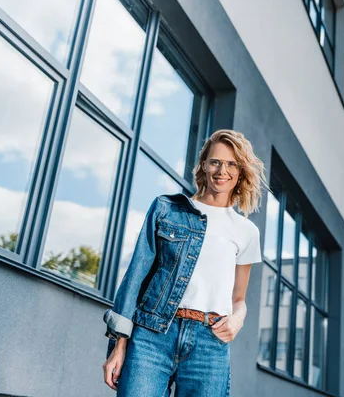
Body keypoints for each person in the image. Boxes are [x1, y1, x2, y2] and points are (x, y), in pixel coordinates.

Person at [102, 129, 267, 396]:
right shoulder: (166, 209)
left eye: (231, 164)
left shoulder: (246, 231)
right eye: (215, 161)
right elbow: (135, 278)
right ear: (204, 165)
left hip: (209, 343)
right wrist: (118, 346)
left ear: (240, 172)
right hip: (152, 337)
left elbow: (239, 298)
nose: (221, 170)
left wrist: (238, 318)